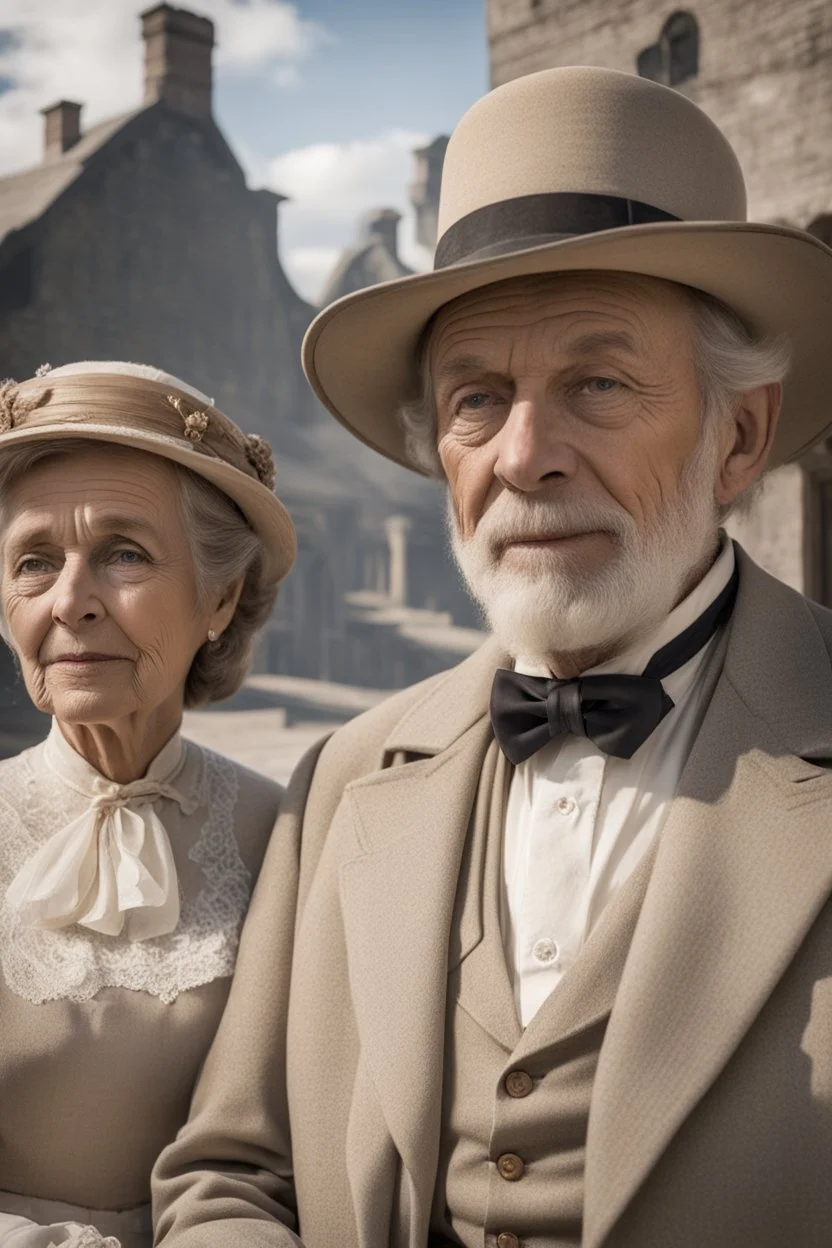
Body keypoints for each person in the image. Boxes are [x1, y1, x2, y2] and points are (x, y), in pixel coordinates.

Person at [153, 67, 832, 1248]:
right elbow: (226, 1178)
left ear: (739, 433)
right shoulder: (345, 777)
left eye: (598, 384)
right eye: (477, 400)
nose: (525, 457)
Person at [0, 361, 296, 1248]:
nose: (71, 603)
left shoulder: (293, 836)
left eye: (124, 554)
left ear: (221, 596)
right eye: (34, 562)